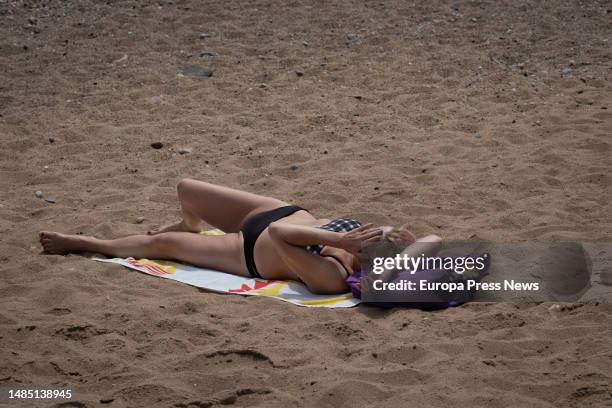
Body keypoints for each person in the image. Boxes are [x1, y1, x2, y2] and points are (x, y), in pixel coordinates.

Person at [40, 178, 438, 294]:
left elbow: (282, 237)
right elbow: (433, 239)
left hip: (247, 249)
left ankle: (84, 243)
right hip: (276, 209)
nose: (387, 239)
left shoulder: (331, 275)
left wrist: (347, 244)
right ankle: (188, 222)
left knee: (160, 246)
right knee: (186, 188)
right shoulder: (372, 242)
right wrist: (400, 248)